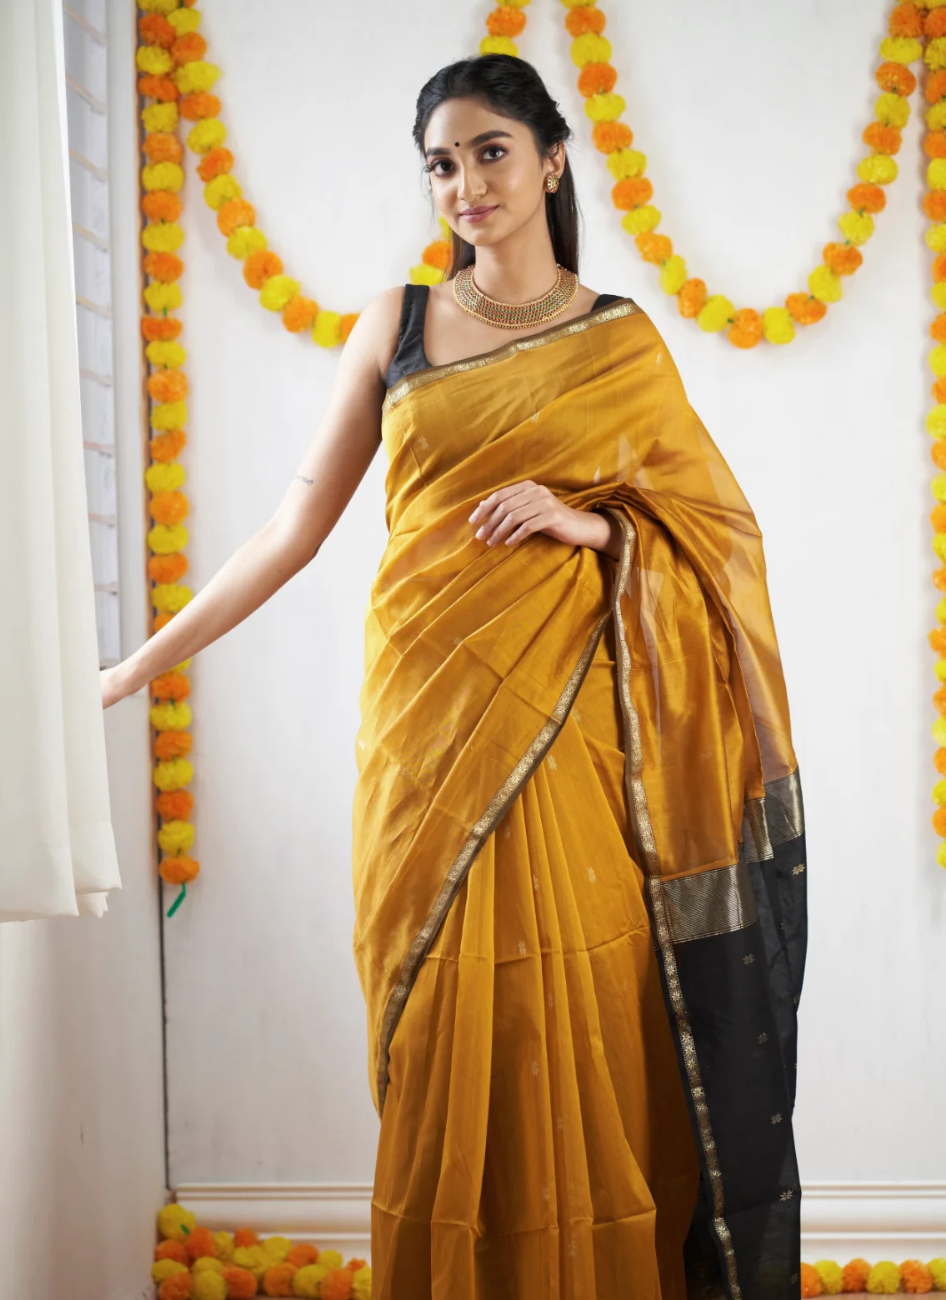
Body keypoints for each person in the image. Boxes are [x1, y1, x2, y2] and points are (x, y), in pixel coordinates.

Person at [103, 53, 807, 1300]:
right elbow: (292, 529)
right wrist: (129, 670)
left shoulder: (619, 340)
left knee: (576, 1013)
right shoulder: (398, 323)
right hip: (423, 728)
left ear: (551, 161)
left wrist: (593, 525)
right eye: (442, 163)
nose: (466, 183)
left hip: (572, 735)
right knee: (438, 1032)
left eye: (491, 152)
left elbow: (715, 533)